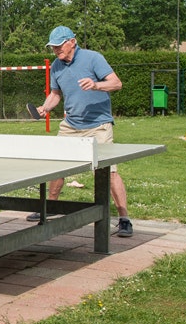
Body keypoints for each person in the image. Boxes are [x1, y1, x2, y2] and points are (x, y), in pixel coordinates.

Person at [30, 25, 133, 237]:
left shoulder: (93, 58)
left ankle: (124, 219)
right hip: (71, 125)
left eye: (59, 45)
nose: (56, 50)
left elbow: (116, 83)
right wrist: (45, 108)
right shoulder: (56, 66)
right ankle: (50, 207)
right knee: (56, 168)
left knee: (108, 172)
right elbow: (56, 94)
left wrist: (95, 85)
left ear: (72, 42)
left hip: (98, 125)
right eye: (53, 47)